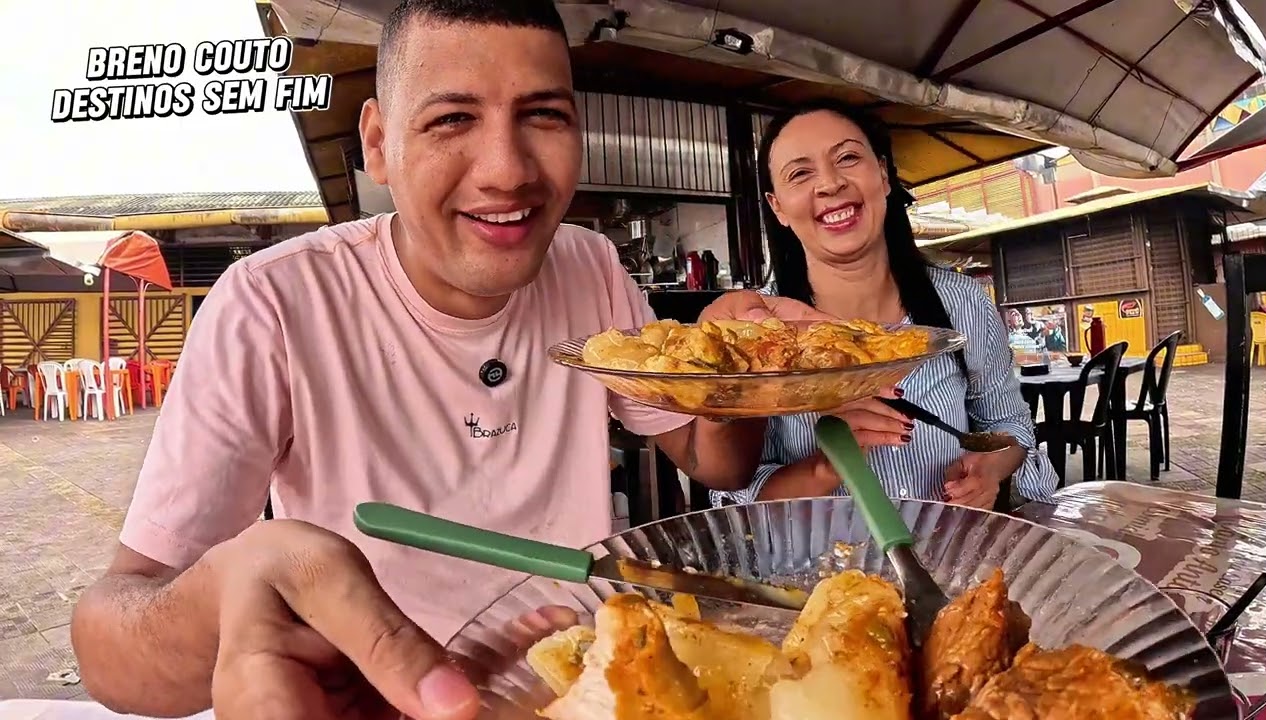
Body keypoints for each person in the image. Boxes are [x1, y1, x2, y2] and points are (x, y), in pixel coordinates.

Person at [64, 3, 813, 719]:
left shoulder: (590, 266)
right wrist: (221, 603)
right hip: (387, 701)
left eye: (543, 115)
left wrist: (727, 371)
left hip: (588, 683)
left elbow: (714, 463)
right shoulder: (274, 301)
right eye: (453, 118)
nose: (507, 171)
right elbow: (110, 650)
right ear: (379, 141)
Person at [711, 101, 1059, 511]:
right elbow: (734, 497)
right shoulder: (757, 336)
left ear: (882, 174)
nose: (829, 184)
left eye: (847, 158)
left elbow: (1009, 425)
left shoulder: (962, 303)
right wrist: (825, 467)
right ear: (778, 207)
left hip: (952, 555)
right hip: (822, 569)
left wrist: (990, 470)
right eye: (800, 174)